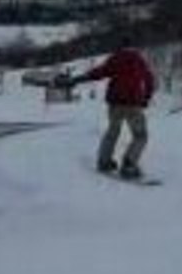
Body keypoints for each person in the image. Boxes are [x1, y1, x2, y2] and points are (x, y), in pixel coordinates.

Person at [62, 38, 155, 179]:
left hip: (115, 103)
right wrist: (146, 99)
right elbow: (149, 80)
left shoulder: (115, 59)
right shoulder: (139, 60)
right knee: (140, 135)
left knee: (112, 131)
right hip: (133, 104)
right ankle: (129, 165)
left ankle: (104, 161)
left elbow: (98, 73)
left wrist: (77, 79)